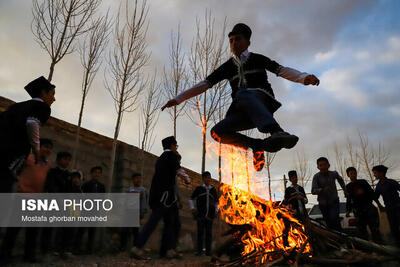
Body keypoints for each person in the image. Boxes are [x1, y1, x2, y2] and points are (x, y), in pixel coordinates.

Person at [161, 23, 319, 171]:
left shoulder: (258, 59)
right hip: (244, 111)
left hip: (262, 102)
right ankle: (256, 145)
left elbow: (281, 70)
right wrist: (178, 98)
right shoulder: (227, 67)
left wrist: (303, 77)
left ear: (247, 42)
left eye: (238, 39)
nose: (234, 43)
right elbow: (204, 84)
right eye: (231, 40)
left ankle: (276, 131)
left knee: (242, 92)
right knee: (217, 132)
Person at [130, 136, 190, 260]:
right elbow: (179, 170)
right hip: (164, 197)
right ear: (172, 145)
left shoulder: (161, 159)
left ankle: (168, 250)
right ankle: (137, 247)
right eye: (176, 146)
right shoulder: (170, 156)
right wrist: (187, 179)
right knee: (154, 221)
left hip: (164, 197)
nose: (176, 148)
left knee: (170, 222)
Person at [0, 138, 53, 263]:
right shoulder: (28, 158)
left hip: (37, 202)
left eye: (50, 148)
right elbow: (13, 170)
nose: (48, 150)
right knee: (13, 229)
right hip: (22, 198)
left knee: (33, 231)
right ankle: (4, 255)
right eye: (45, 146)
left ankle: (29, 256)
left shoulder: (47, 165)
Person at [0, 76, 55, 192]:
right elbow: (32, 122)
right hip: (12, 157)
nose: (54, 99)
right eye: (52, 94)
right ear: (43, 93)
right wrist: (36, 149)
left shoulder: (15, 106)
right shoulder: (43, 108)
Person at [41, 151, 72, 258]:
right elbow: (50, 186)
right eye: (65, 159)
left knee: (64, 227)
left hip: (65, 204)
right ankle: (44, 249)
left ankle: (60, 249)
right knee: (48, 226)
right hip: (53, 202)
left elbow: (70, 189)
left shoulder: (69, 175)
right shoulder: (52, 172)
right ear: (58, 160)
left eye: (68, 160)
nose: (67, 161)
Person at [345, 167, 382, 243]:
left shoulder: (363, 182)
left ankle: (380, 246)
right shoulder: (348, 187)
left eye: (354, 173)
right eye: (351, 174)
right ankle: (367, 249)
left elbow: (372, 193)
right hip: (358, 210)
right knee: (362, 231)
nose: (353, 175)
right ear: (348, 175)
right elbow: (348, 199)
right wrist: (348, 210)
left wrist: (379, 204)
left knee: (374, 229)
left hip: (368, 208)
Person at [75, 166, 106, 254]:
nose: (97, 174)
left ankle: (89, 249)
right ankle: (77, 248)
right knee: (81, 229)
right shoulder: (86, 184)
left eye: (99, 172)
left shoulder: (101, 186)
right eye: (95, 172)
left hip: (95, 211)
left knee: (92, 231)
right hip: (85, 211)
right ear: (91, 174)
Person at [311, 157, 346, 231]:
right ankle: (334, 238)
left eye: (324, 165)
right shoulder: (316, 177)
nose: (323, 167)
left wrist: (345, 190)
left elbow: (340, 180)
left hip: (334, 201)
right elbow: (313, 191)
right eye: (321, 165)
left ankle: (340, 237)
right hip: (323, 204)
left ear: (328, 165)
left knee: (334, 219)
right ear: (318, 167)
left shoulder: (333, 174)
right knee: (329, 223)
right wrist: (322, 190)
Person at [189, 171, 218, 256]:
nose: (208, 179)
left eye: (209, 178)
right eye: (206, 178)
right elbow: (191, 199)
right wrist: (192, 208)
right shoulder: (199, 189)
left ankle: (208, 252)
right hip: (200, 215)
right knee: (200, 233)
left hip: (210, 215)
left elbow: (217, 202)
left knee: (209, 234)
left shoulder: (213, 190)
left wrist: (216, 211)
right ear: (203, 179)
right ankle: (199, 251)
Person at [120, 172, 148, 251]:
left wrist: (142, 212)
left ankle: (136, 247)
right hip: (128, 213)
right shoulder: (129, 190)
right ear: (133, 180)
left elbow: (144, 202)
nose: (138, 180)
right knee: (125, 231)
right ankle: (122, 247)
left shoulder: (143, 190)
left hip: (136, 213)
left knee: (135, 231)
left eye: (140, 178)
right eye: (136, 178)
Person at [373, 165, 400, 243]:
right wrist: (379, 205)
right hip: (389, 209)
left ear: (381, 173)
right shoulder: (378, 186)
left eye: (375, 173)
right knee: (393, 227)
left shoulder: (391, 182)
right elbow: (375, 197)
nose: (374, 175)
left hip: (398, 207)